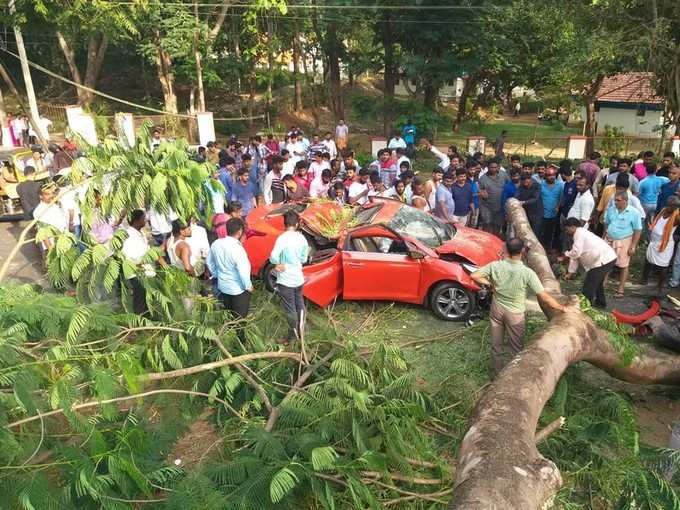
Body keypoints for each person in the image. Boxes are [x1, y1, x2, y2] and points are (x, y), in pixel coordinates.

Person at [470, 238, 566, 377]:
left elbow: (475, 275)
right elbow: (544, 297)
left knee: (496, 346)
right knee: (515, 348)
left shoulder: (496, 266)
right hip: (515, 314)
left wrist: (491, 285)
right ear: (522, 252)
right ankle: (511, 377)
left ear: (506, 251)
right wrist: (562, 308)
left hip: (497, 309)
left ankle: (495, 374)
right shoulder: (527, 273)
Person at [207, 218, 253, 339]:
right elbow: (243, 271)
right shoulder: (238, 249)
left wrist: (217, 274)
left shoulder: (216, 244)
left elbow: (209, 262)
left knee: (229, 315)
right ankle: (240, 343)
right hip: (238, 290)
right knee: (240, 321)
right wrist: (248, 286)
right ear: (239, 232)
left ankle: (229, 338)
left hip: (223, 286)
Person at [269, 211, 309, 345]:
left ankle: (292, 336)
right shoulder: (302, 238)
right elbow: (304, 258)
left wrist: (276, 264)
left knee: (290, 308)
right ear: (297, 224)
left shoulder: (282, 238)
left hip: (286, 280)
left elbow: (273, 256)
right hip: (298, 278)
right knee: (300, 304)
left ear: (284, 224)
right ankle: (302, 331)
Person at [563, 217, 617, 308]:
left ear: (572, 227)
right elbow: (576, 257)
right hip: (605, 259)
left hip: (603, 260)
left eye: (566, 229)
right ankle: (601, 303)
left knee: (589, 285)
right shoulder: (580, 233)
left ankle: (585, 306)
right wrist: (571, 272)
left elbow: (576, 253)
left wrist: (566, 254)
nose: (566, 232)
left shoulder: (579, 233)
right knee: (597, 282)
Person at [604, 191, 643, 298]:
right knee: (606, 262)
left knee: (623, 265)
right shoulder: (611, 210)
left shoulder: (634, 212)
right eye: (614, 200)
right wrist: (604, 237)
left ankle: (620, 289)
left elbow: (638, 230)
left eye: (618, 200)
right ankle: (603, 283)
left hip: (625, 241)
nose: (615, 202)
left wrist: (633, 245)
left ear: (625, 201)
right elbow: (606, 223)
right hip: (610, 239)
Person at [642, 195, 680, 294]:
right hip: (654, 241)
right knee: (648, 260)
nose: (671, 208)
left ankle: (660, 286)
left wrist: (677, 236)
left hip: (665, 244)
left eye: (673, 206)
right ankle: (644, 278)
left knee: (663, 265)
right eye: (670, 205)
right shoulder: (663, 211)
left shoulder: (676, 216)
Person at [121, 210, 154, 314]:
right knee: (140, 302)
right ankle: (140, 323)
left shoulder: (141, 232)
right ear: (137, 220)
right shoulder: (129, 236)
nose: (146, 220)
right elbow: (132, 257)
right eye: (143, 218)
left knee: (146, 301)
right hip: (137, 274)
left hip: (145, 272)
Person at [32, 182, 69, 251]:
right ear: (40, 196)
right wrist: (51, 250)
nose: (51, 196)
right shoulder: (38, 211)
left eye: (51, 193)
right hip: (53, 245)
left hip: (64, 240)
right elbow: (43, 233)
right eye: (47, 194)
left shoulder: (55, 205)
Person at [478, 158, 509, 236]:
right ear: (488, 168)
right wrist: (482, 193)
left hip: (500, 206)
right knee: (487, 226)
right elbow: (479, 191)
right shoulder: (483, 179)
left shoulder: (503, 174)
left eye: (495, 167)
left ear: (498, 167)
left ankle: (496, 242)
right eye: (491, 167)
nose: (494, 169)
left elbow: (509, 185)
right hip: (487, 207)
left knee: (497, 226)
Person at [639, 162, 669, 233]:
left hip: (645, 204)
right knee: (651, 221)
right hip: (655, 204)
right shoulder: (660, 179)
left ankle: (642, 237)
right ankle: (650, 235)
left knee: (642, 220)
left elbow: (638, 193)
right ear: (656, 170)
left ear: (646, 170)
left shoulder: (643, 182)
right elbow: (669, 180)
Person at [540, 168, 564, 251]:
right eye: (549, 176)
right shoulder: (541, 185)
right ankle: (540, 248)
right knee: (541, 232)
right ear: (546, 176)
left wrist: (558, 206)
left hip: (553, 213)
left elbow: (561, 197)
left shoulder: (560, 185)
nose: (552, 177)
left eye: (553, 175)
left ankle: (548, 248)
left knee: (550, 232)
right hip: (542, 213)